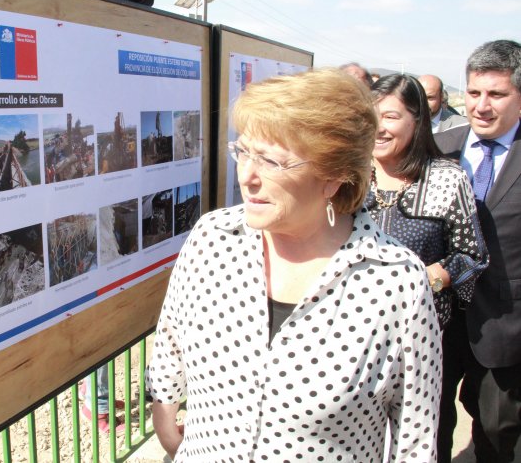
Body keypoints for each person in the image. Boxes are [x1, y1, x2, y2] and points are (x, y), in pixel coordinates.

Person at [146, 69, 442, 461]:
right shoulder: (213, 237)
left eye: (271, 161)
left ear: (334, 176)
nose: (247, 176)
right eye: (245, 151)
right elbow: (172, 327)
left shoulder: (395, 281)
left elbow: (415, 439)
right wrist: (164, 405)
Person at [434, 39, 521, 462]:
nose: (481, 106)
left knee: (497, 432)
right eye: (473, 93)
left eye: (496, 94)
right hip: (437, 319)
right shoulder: (438, 150)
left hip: (506, 325)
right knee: (429, 428)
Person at [366, 74, 488, 329]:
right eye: (370, 115)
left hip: (418, 328)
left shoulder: (447, 179)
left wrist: (428, 279)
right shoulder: (346, 176)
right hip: (352, 327)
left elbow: (471, 255)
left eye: (390, 117)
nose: (378, 126)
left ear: (417, 121)